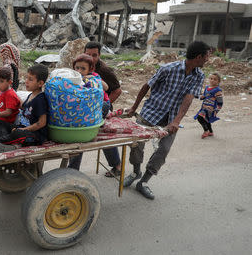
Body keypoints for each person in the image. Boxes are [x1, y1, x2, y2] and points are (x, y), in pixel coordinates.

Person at [123, 41, 210, 200]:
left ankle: (143, 182)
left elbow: (188, 99)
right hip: (151, 112)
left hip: (171, 119)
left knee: (163, 151)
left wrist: (176, 121)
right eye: (207, 57)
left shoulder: (199, 76)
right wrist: (134, 107)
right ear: (199, 57)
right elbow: (146, 86)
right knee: (136, 145)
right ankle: (136, 172)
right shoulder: (168, 69)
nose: (208, 60)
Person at [68, 42, 122, 176]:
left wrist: (103, 105)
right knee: (80, 136)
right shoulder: (79, 69)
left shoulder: (103, 71)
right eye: (88, 54)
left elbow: (116, 90)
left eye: (95, 55)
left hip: (100, 107)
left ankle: (117, 166)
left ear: (99, 55)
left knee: (93, 137)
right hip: (84, 108)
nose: (91, 57)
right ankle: (73, 170)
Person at [0, 64, 49, 153]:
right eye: (26, 78)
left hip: (34, 135)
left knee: (17, 133)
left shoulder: (40, 99)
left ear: (40, 83)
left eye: (30, 79)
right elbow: (23, 107)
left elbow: (42, 123)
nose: (26, 82)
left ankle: (1, 142)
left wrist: (24, 129)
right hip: (21, 127)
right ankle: (5, 143)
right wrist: (13, 97)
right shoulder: (31, 95)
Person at [0, 43, 21, 107]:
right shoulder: (13, 63)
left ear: (5, 53)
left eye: (2, 53)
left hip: (5, 94)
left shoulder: (7, 64)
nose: (0, 56)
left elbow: (2, 79)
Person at [194, 72, 223, 138]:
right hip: (204, 107)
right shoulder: (207, 87)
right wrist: (196, 96)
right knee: (206, 119)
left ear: (218, 81)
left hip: (211, 108)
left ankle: (206, 131)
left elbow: (220, 102)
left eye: (215, 79)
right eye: (211, 78)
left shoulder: (218, 90)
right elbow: (203, 97)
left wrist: (216, 110)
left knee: (200, 117)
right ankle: (211, 132)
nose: (212, 80)